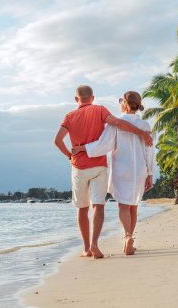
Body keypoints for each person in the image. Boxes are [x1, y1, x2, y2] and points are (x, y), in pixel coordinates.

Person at [54, 85, 152, 259]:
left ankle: (98, 245)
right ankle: (120, 239)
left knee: (108, 206)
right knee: (124, 205)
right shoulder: (142, 124)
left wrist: (77, 151)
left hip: (106, 167)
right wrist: (150, 172)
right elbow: (148, 150)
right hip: (128, 168)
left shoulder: (72, 117)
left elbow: (102, 145)